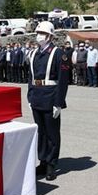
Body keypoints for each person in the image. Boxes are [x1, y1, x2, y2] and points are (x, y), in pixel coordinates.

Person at [28, 22, 69, 181]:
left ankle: (52, 164)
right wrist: (30, 96)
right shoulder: (34, 53)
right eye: (38, 33)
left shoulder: (59, 53)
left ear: (50, 36)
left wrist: (58, 102)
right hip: (37, 96)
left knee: (52, 133)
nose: (39, 36)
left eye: (42, 34)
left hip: (51, 97)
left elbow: (63, 80)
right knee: (41, 132)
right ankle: (43, 161)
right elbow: (31, 78)